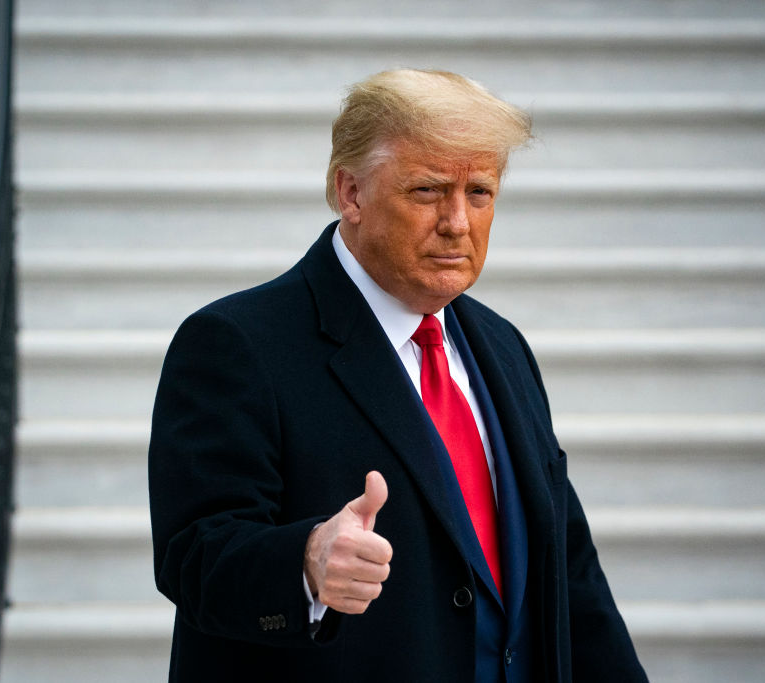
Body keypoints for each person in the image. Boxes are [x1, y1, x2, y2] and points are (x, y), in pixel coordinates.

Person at [148, 68, 647, 682]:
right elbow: (191, 556)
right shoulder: (236, 343)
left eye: (480, 193)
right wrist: (305, 562)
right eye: (428, 191)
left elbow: (567, 570)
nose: (458, 222)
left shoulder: (503, 345)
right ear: (351, 194)